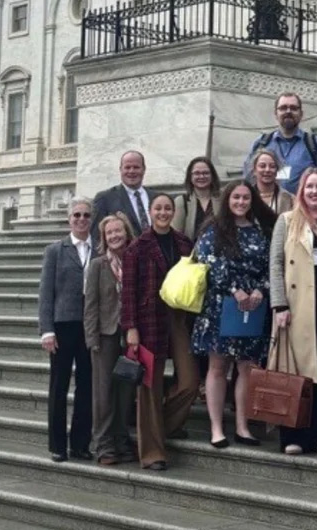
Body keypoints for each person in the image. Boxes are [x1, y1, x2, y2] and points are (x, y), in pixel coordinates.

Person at [191, 181, 277, 448]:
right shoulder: (214, 229)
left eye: (246, 198)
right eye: (236, 197)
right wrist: (234, 290)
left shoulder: (260, 231)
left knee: (247, 368)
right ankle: (217, 428)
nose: (241, 202)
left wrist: (261, 290)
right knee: (218, 367)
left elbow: (269, 265)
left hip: (252, 308)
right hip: (221, 305)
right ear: (228, 199)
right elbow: (208, 262)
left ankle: (242, 426)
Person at [269, 168, 317, 455]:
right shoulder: (287, 221)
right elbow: (276, 264)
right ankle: (294, 435)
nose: (315, 192)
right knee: (296, 372)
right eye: (309, 187)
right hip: (296, 305)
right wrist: (279, 304)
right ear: (301, 191)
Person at [119, 194, 199, 470]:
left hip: (178, 318)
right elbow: (128, 292)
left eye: (167, 208)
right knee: (149, 387)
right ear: (150, 212)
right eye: (158, 208)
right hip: (148, 319)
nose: (163, 212)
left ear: (173, 212)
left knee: (189, 380)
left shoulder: (184, 244)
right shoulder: (136, 248)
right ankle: (152, 452)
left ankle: (163, 426)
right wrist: (130, 328)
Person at [38, 198, 95, 463]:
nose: (81, 219)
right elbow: (45, 293)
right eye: (76, 215)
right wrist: (46, 330)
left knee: (87, 386)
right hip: (63, 325)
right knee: (59, 386)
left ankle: (80, 444)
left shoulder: (100, 248)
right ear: (69, 219)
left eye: (86, 215)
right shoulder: (55, 250)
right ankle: (58, 445)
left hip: (91, 326)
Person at [83, 213, 138, 465]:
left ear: (126, 232)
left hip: (131, 336)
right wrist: (91, 339)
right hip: (104, 336)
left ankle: (122, 439)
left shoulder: (135, 260)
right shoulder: (98, 265)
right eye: (110, 233)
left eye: (119, 231)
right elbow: (90, 305)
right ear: (104, 238)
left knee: (125, 391)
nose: (115, 236)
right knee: (104, 393)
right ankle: (103, 444)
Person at [242, 92, 317, 194]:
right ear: (276, 114)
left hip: (301, 208)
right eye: (283, 108)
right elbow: (248, 178)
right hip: (266, 207)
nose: (288, 111)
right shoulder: (261, 143)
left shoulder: (314, 144)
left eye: (293, 108)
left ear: (301, 114)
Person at [92, 150, 151, 246]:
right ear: (120, 170)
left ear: (144, 169)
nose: (131, 171)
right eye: (127, 167)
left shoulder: (156, 198)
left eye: (136, 167)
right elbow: (96, 237)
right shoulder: (105, 198)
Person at [172, 156, 222, 241]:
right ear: (190, 176)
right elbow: (176, 236)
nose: (201, 176)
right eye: (197, 173)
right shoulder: (181, 202)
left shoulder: (223, 199)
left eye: (206, 173)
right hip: (192, 252)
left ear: (212, 175)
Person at [249, 147, 295, 214]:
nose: (267, 170)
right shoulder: (246, 196)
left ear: (277, 171)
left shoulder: (290, 199)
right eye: (262, 166)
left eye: (272, 166)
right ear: (254, 170)